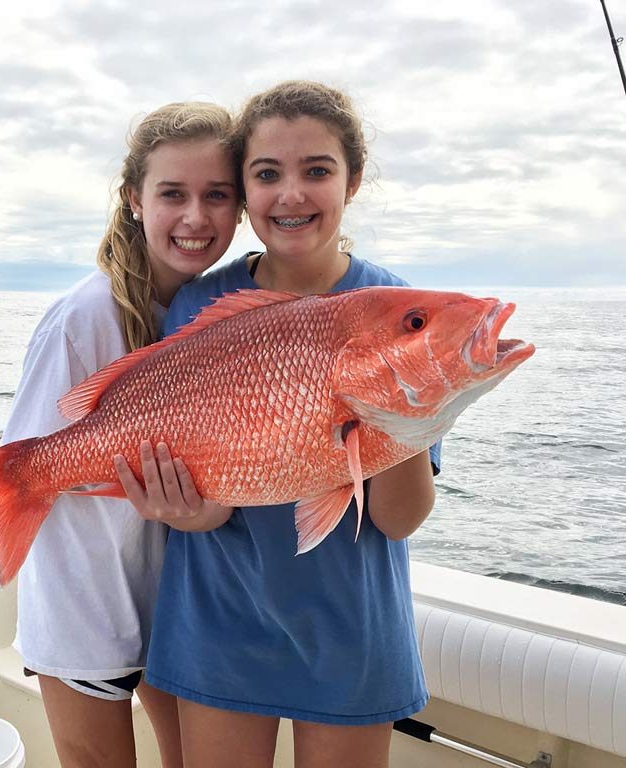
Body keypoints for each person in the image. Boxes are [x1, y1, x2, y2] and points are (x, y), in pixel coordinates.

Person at [115, 81, 441, 768]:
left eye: (317, 170)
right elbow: (186, 459)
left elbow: (398, 520)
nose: (292, 194)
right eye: (267, 174)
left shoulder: (401, 311)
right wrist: (189, 512)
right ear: (244, 191)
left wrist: (402, 418)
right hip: (218, 619)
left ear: (351, 183)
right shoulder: (203, 301)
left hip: (352, 627)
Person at [0, 102, 240, 768]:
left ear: (241, 208)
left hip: (177, 604)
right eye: (172, 194)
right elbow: (23, 462)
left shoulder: (217, 314)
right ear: (134, 198)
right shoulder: (82, 318)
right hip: (86, 609)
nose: (195, 217)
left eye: (216, 195)